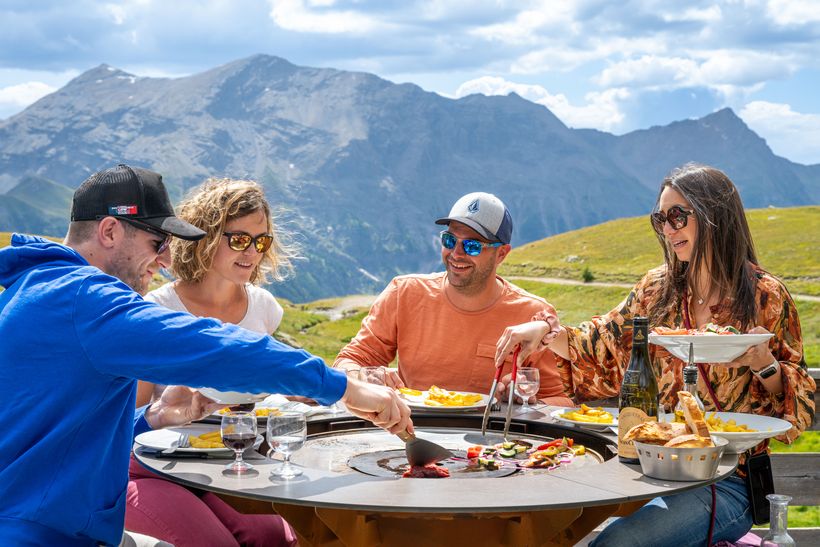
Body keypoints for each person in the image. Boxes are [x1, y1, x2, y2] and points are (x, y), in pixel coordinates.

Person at [0, 164, 412, 547]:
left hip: (50, 520)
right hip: (39, 532)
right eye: (156, 242)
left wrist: (155, 418)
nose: (164, 260)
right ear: (109, 231)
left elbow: (59, 427)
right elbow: (218, 348)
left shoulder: (44, 287)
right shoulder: (87, 300)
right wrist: (343, 387)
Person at [495, 163, 815, 546]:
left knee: (617, 544)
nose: (667, 228)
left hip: (730, 482)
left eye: (677, 216)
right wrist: (545, 331)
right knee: (547, 517)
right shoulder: (656, 288)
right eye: (660, 219)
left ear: (714, 214)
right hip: (657, 466)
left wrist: (762, 363)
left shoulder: (764, 296)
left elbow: (799, 400)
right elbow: (598, 344)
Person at [127, 178, 298, 546]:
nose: (251, 252)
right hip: (154, 469)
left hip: (231, 459)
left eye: (261, 241)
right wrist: (165, 411)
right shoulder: (157, 311)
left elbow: (261, 391)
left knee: (277, 538)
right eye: (238, 239)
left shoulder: (263, 307)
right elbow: (129, 419)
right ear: (203, 237)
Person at [334, 191, 572, 406]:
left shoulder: (533, 314)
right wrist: (364, 375)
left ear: (501, 253)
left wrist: (526, 401)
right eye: (449, 240)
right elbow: (348, 361)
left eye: (472, 246)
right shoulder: (403, 293)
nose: (456, 253)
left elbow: (561, 399)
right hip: (412, 436)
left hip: (491, 445)